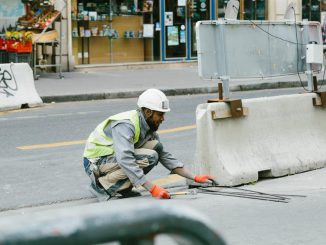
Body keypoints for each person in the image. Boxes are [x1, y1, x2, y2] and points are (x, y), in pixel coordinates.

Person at [83, 88, 213, 201]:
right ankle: (102, 186)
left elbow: (164, 155)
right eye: (160, 114)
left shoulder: (147, 126)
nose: (163, 118)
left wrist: (195, 177)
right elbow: (125, 159)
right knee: (149, 157)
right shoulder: (126, 124)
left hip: (111, 159)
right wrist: (152, 189)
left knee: (156, 147)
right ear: (148, 112)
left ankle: (123, 187)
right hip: (96, 163)